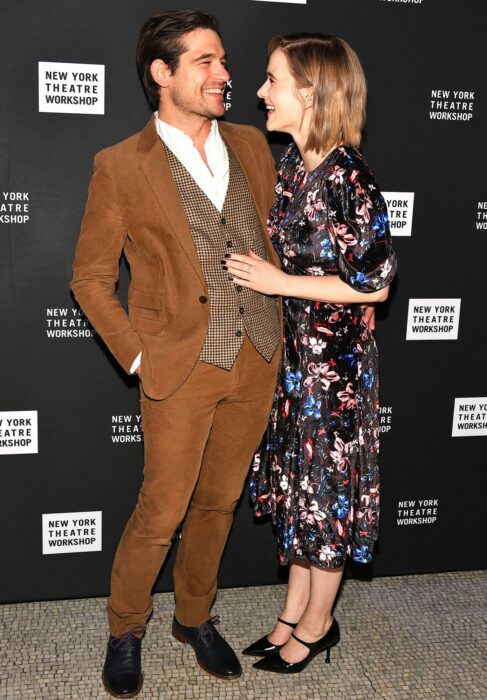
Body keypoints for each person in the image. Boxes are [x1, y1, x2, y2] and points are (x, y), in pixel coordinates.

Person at [71, 10, 282, 697]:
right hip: (176, 365)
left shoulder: (252, 145)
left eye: (223, 61)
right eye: (205, 63)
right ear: (162, 73)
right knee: (162, 509)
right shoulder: (120, 165)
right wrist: (138, 357)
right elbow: (90, 278)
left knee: (219, 502)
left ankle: (194, 617)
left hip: (255, 354)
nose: (225, 75)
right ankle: (126, 626)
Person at [225, 33, 397, 674]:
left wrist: (279, 284)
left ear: (310, 91)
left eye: (272, 79)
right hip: (298, 362)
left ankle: (320, 623)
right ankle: (294, 609)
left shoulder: (350, 177)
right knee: (301, 489)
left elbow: (376, 282)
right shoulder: (297, 166)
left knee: (325, 495)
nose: (261, 91)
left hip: (336, 372)